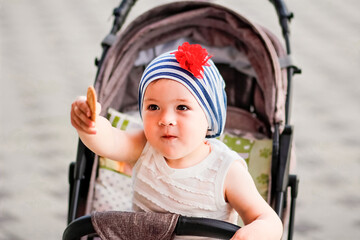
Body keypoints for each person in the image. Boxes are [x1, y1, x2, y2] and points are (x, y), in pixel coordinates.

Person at [71, 42, 283, 239]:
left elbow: (268, 219)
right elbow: (110, 141)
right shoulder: (144, 145)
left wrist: (256, 232)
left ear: (209, 116)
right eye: (153, 107)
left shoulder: (226, 170)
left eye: (182, 107)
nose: (165, 119)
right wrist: (90, 125)